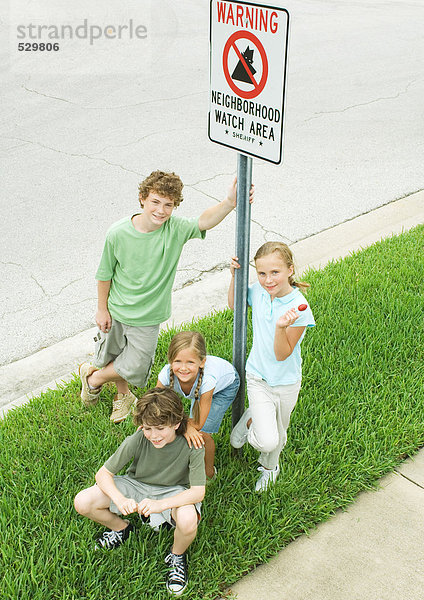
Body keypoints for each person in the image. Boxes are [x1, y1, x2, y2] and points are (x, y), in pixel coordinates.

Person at [79, 170, 253, 423]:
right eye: (155, 202)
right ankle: (123, 396)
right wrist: (101, 309)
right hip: (117, 310)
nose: (161, 210)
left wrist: (229, 203)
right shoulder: (117, 233)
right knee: (114, 356)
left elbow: (203, 221)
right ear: (142, 199)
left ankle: (93, 378)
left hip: (149, 316)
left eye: (168, 205)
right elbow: (104, 274)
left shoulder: (175, 229)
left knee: (136, 364)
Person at [74, 387, 205, 596]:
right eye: (147, 428)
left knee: (188, 520)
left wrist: (160, 505)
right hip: (136, 485)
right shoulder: (138, 439)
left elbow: (198, 492)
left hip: (173, 491)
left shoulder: (193, 444)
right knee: (83, 501)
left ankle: (176, 555)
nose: (153, 436)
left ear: (176, 424)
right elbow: (103, 474)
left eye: (160, 428)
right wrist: (120, 498)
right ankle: (121, 529)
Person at [228, 242, 315, 492]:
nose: (268, 280)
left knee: (278, 435)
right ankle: (252, 420)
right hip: (257, 376)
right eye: (262, 273)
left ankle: (269, 468)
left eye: (275, 272)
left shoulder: (300, 308)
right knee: (265, 440)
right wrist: (235, 277)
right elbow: (235, 306)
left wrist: (281, 327)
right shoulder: (258, 292)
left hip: (286, 382)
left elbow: (282, 353)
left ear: (290, 269)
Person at [157, 331, 240, 479]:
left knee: (202, 434)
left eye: (190, 362)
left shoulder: (208, 380)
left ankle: (209, 474)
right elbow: (155, 405)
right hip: (199, 389)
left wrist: (185, 425)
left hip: (224, 388)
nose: (183, 368)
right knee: (177, 427)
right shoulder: (165, 374)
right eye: (177, 361)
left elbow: (198, 424)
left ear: (202, 362)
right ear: (170, 360)